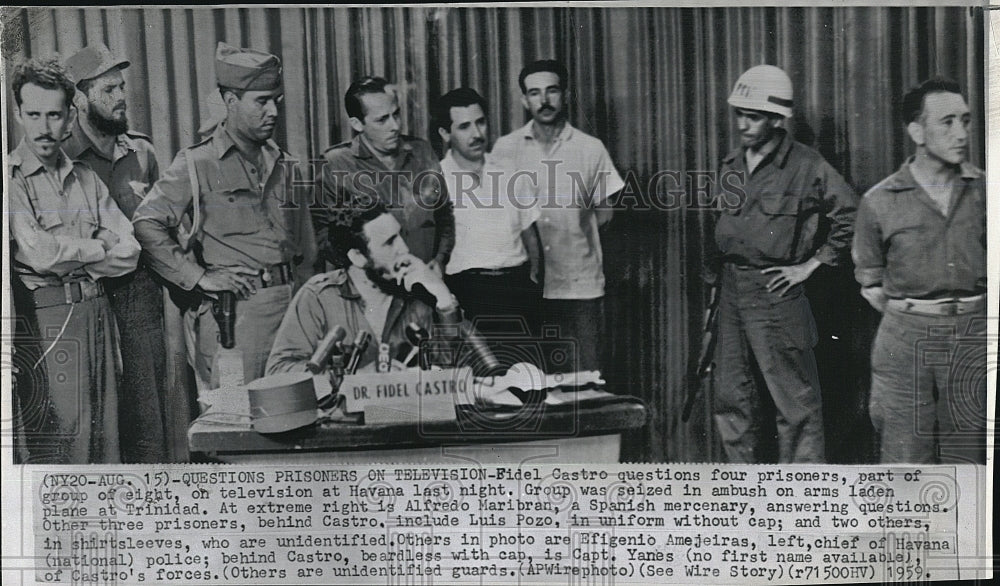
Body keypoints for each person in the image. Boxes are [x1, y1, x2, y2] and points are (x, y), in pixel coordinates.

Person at [133, 42, 316, 391]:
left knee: (296, 416)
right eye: (260, 101)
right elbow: (147, 223)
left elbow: (307, 253)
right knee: (231, 423)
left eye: (275, 100)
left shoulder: (287, 166)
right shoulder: (197, 164)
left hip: (292, 315)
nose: (273, 112)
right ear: (231, 102)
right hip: (235, 323)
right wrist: (199, 277)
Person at [705, 65, 857, 463]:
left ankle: (802, 498)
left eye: (752, 117)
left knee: (795, 402)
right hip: (732, 291)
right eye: (739, 114)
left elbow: (851, 214)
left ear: (776, 120)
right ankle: (744, 496)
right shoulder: (731, 164)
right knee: (731, 397)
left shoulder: (807, 166)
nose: (742, 124)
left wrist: (812, 264)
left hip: (776, 292)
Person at [8, 57, 141, 463]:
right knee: (66, 447)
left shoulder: (85, 177)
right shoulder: (9, 180)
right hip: (50, 321)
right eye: (33, 115)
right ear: (18, 114)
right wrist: (98, 245)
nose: (44, 128)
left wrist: (71, 251)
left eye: (54, 114)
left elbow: (131, 250)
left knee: (108, 445)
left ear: (70, 114)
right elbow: (39, 252)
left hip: (99, 315)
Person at [853, 78, 986, 465]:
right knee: (904, 460)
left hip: (973, 336)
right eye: (947, 122)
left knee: (969, 460)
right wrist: (918, 316)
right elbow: (871, 283)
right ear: (916, 131)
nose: (961, 133)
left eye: (965, 120)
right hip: (904, 344)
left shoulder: (987, 192)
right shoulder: (878, 202)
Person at [62, 43, 169, 463]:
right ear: (79, 97)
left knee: (149, 411)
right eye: (108, 89)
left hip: (140, 295)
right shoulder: (63, 155)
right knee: (94, 416)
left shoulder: (142, 152)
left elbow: (163, 230)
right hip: (87, 297)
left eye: (121, 86)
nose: (121, 97)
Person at [491, 60, 624, 373]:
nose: (544, 100)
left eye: (552, 91)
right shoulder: (504, 149)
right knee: (530, 381)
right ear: (524, 100)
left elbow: (606, 213)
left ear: (565, 95)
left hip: (579, 286)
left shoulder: (590, 149)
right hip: (524, 287)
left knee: (586, 380)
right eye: (534, 93)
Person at [267, 201, 469, 376]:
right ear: (358, 257)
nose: (404, 250)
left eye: (400, 236)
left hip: (407, 416)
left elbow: (455, 368)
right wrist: (353, 377)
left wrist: (443, 299)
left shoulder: (417, 293)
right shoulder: (318, 297)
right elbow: (279, 370)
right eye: (389, 243)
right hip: (341, 418)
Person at [432, 87, 542, 340]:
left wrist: (533, 282)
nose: (477, 134)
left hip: (517, 290)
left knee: (526, 374)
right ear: (445, 133)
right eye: (464, 127)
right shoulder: (435, 180)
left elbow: (530, 235)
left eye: (481, 122)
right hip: (467, 293)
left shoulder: (511, 172)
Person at [315, 76, 455, 275]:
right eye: (382, 119)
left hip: (425, 281)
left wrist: (440, 260)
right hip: (375, 290)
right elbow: (324, 237)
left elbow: (444, 215)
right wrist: (368, 267)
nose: (395, 126)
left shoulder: (422, 151)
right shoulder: (335, 164)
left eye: (396, 114)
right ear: (357, 124)